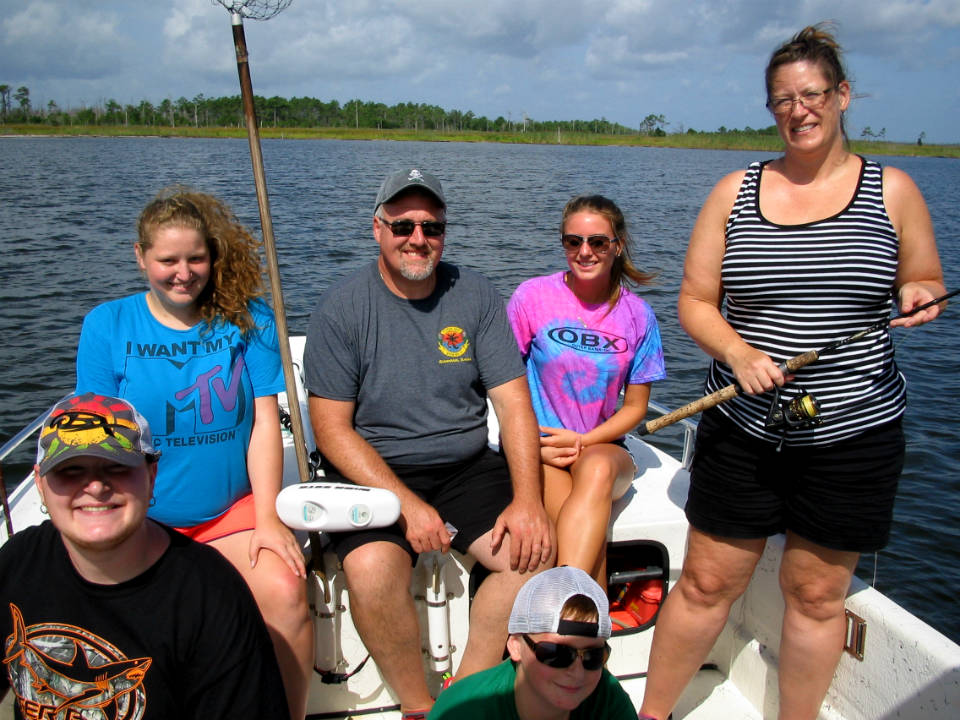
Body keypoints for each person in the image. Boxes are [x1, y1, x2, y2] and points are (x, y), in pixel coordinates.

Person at [638, 24, 947, 720]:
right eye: (783, 99)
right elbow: (694, 303)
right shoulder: (733, 192)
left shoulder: (893, 190)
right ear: (771, 108)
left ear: (841, 96)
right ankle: (651, 714)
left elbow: (923, 275)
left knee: (815, 596)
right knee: (706, 584)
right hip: (744, 428)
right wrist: (741, 355)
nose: (798, 110)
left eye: (812, 94)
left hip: (856, 433)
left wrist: (919, 294)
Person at [304, 168, 555, 718]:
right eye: (403, 225)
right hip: (371, 470)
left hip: (464, 466)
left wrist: (529, 500)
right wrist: (410, 506)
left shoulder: (477, 295)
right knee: (371, 571)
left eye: (432, 227)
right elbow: (332, 431)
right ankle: (417, 706)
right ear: (377, 229)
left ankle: (460, 699)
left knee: (532, 558)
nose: (418, 238)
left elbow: (513, 403)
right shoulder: (341, 311)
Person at [74, 188, 312, 719]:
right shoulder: (108, 325)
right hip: (141, 518)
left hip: (231, 513)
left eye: (196, 258)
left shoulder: (249, 318)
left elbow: (263, 426)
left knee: (287, 592)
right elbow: (96, 438)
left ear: (212, 257)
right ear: (141, 257)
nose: (183, 272)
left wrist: (270, 519)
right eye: (167, 260)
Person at [0, 392, 290, 719]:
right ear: (39, 483)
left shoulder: (211, 597)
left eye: (116, 467)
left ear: (152, 476)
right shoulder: (17, 564)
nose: (95, 486)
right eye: (71, 470)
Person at [507, 195, 666, 586]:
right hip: (544, 448)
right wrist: (530, 442)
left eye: (598, 242)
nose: (585, 251)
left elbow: (635, 408)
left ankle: (563, 610)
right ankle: (581, 627)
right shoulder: (531, 297)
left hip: (603, 445)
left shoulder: (639, 316)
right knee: (576, 536)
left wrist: (585, 440)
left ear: (618, 245)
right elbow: (503, 384)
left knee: (595, 469)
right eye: (573, 241)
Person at [427, 566, 636, 720]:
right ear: (516, 645)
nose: (577, 672)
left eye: (593, 656)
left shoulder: (608, 700)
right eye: (557, 654)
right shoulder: (462, 712)